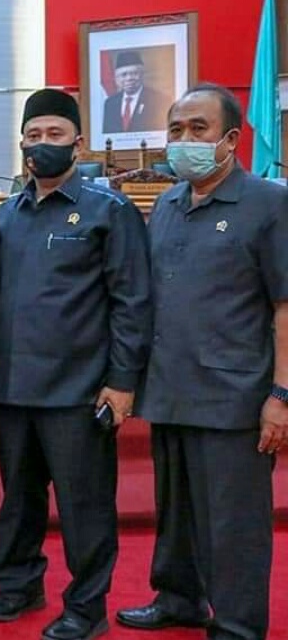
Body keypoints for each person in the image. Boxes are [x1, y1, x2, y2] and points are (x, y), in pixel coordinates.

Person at [117, 83, 288, 640]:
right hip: (170, 387)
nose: (184, 140)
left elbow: (285, 306)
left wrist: (281, 394)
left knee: (233, 523)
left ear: (230, 139)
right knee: (176, 512)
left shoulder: (268, 203)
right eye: (176, 129)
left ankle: (237, 624)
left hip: (234, 397)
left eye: (198, 129)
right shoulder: (166, 205)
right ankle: (179, 599)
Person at [0, 89, 152, 640]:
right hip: (16, 386)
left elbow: (132, 302)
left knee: (85, 507)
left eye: (54, 135)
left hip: (80, 390)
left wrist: (122, 382)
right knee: (19, 499)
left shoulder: (110, 211)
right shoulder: (7, 215)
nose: (42, 145)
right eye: (33, 136)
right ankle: (19, 585)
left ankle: (86, 607)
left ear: (78, 144)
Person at [101, 50, 171, 134]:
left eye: (134, 73)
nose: (129, 78)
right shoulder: (110, 103)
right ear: (117, 78)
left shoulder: (159, 100)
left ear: (142, 75)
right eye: (124, 75)